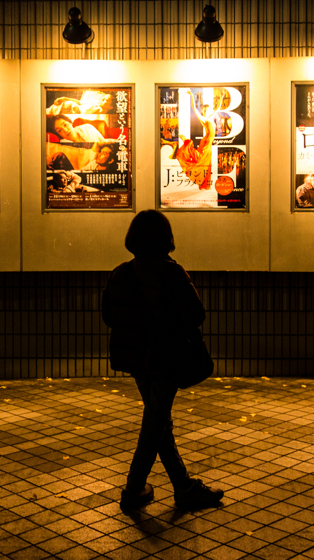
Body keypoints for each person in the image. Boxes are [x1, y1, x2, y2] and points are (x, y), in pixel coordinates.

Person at [101, 210, 224, 513]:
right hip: (165, 359)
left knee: (159, 421)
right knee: (155, 423)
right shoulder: (172, 272)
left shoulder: (121, 273)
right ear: (165, 238)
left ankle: (182, 486)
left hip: (136, 360)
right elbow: (195, 315)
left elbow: (108, 316)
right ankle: (133, 491)